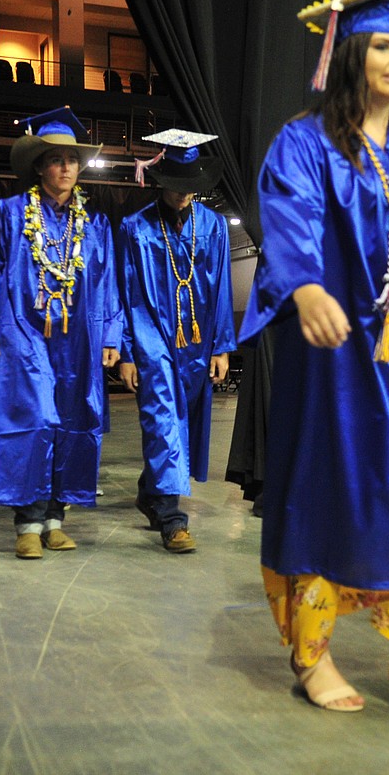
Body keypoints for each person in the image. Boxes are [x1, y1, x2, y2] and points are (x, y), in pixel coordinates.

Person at [238, 0, 389, 725]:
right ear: (349, 57)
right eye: (382, 47)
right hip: (336, 360)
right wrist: (305, 287)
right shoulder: (305, 141)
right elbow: (290, 217)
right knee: (324, 494)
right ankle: (312, 653)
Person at [0, 107, 122, 559]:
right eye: (56, 159)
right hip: (23, 331)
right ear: (39, 166)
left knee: (70, 422)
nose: (66, 167)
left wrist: (111, 335)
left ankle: (55, 519)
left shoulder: (94, 224)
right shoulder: (11, 215)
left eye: (72, 159)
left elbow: (108, 283)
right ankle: (27, 521)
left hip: (79, 337)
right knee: (35, 418)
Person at [118, 129, 236, 553]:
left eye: (193, 189)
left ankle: (150, 492)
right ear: (161, 181)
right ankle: (172, 517)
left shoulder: (215, 227)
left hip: (198, 341)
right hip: (152, 337)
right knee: (163, 417)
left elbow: (222, 287)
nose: (185, 196)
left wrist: (222, 347)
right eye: (178, 187)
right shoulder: (135, 228)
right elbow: (125, 292)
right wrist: (129, 350)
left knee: (180, 424)